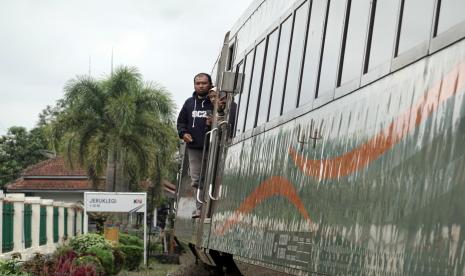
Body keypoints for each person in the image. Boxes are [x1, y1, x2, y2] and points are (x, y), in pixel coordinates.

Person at [177, 73, 213, 218]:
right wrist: (183, 133)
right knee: (197, 180)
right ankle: (199, 208)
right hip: (194, 148)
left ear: (210, 84)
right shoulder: (189, 103)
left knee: (211, 177)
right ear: (194, 85)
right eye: (198, 83)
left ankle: (212, 206)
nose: (201, 85)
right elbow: (181, 122)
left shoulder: (215, 102)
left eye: (204, 83)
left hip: (213, 147)